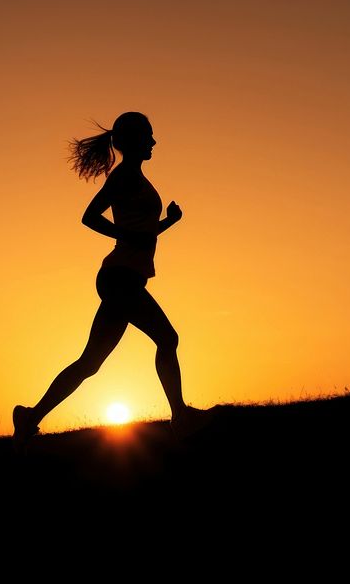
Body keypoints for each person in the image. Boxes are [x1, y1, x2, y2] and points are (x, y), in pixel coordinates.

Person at [12, 110, 210, 448]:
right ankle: (181, 417)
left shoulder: (134, 176)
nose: (153, 142)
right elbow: (90, 217)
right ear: (134, 140)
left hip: (124, 277)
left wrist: (168, 223)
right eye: (148, 136)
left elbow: (141, 236)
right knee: (168, 338)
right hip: (121, 278)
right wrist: (126, 235)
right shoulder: (124, 176)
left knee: (91, 362)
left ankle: (29, 417)